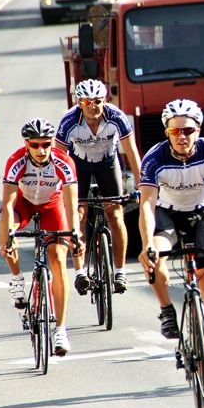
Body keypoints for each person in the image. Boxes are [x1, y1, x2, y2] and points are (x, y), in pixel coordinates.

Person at [137, 99, 204, 399]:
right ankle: (166, 310)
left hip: (202, 214)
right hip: (167, 216)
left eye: (188, 130)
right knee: (156, 258)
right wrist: (147, 244)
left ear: (198, 130)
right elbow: (146, 205)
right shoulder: (154, 158)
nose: (181, 136)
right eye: (175, 131)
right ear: (167, 133)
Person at [0, 119, 84, 356]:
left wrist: (75, 233)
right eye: (35, 145)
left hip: (52, 205)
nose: (41, 149)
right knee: (5, 229)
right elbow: (7, 204)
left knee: (57, 260)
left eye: (46, 144)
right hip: (23, 204)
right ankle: (16, 279)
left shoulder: (63, 162)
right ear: (27, 144)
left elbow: (71, 202)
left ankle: (61, 329)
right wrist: (10, 235)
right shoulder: (16, 161)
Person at [56, 79, 141, 295]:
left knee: (116, 214)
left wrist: (141, 186)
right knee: (79, 215)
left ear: (104, 101)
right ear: (79, 103)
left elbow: (132, 153)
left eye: (97, 101)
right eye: (87, 102)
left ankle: (120, 272)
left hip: (107, 164)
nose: (93, 105)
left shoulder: (116, 117)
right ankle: (80, 273)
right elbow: (58, 159)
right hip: (79, 166)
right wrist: (58, 189)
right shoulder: (69, 121)